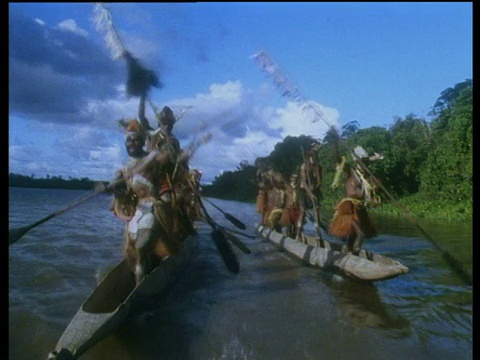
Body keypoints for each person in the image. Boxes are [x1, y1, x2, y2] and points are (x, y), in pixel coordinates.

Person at [111, 116, 187, 285]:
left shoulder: (152, 157)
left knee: (141, 245)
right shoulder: (124, 168)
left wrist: (167, 136)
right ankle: (140, 276)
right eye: (128, 141)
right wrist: (115, 187)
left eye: (135, 140)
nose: (131, 143)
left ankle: (143, 279)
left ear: (142, 142)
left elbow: (169, 156)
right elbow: (121, 195)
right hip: (138, 210)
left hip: (153, 207)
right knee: (133, 250)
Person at [328, 146, 382, 255]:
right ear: (357, 162)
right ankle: (355, 255)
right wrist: (336, 147)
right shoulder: (350, 170)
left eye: (366, 162)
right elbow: (339, 161)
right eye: (363, 162)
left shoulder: (366, 175)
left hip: (360, 207)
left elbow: (374, 187)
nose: (366, 164)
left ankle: (348, 250)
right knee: (360, 234)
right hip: (349, 207)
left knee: (353, 234)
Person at [299, 141, 324, 240]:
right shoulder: (304, 166)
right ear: (309, 157)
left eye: (315, 157)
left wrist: (315, 187)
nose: (313, 159)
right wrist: (309, 192)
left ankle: (318, 234)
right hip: (304, 191)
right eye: (312, 157)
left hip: (314, 190)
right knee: (302, 211)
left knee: (316, 210)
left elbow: (319, 181)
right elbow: (304, 182)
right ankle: (298, 233)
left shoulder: (318, 167)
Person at [279, 173, 306, 240]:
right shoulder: (287, 187)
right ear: (291, 179)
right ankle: (288, 237)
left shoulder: (300, 188)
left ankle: (297, 237)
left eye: (296, 179)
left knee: (297, 225)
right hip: (289, 208)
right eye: (293, 178)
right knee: (289, 225)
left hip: (297, 208)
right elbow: (283, 198)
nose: (294, 180)